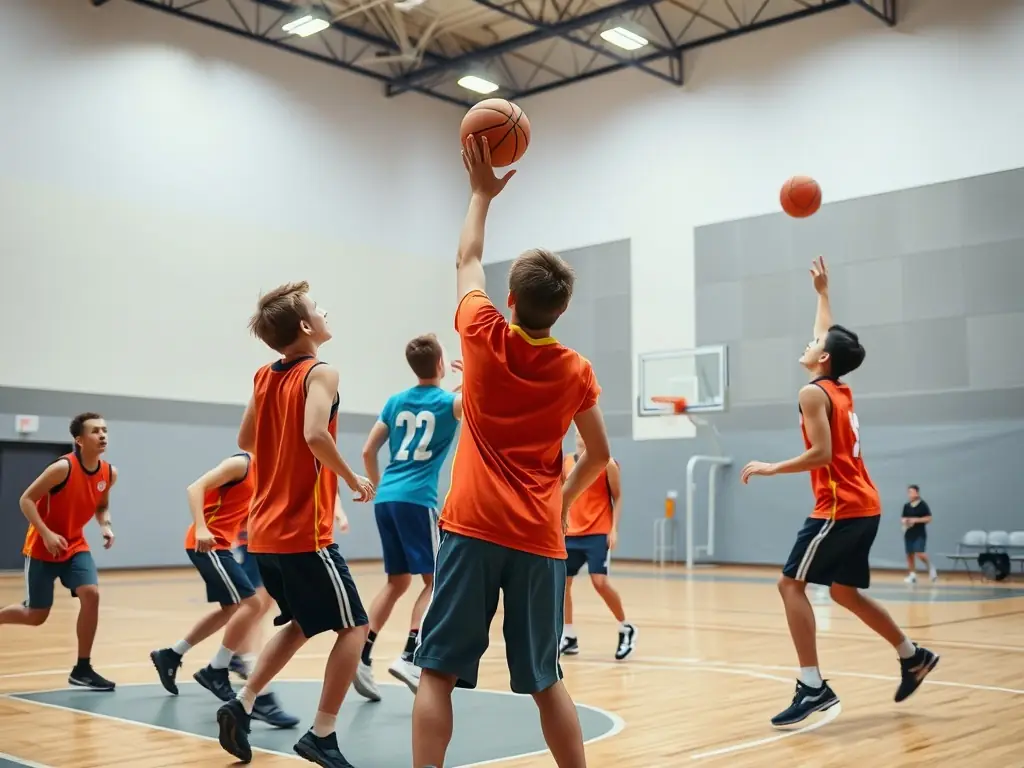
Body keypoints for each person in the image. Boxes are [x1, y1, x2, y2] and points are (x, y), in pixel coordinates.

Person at [410, 134, 611, 768]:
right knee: (546, 679)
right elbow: (598, 454)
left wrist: (480, 192)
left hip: (471, 526)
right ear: (564, 307)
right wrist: (560, 500)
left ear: (514, 300)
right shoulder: (576, 371)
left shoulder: (481, 332)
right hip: (537, 538)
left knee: (437, 675)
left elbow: (467, 257)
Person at [741, 256, 939, 728]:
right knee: (846, 594)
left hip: (839, 507)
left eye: (814, 343)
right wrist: (823, 294)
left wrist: (772, 467)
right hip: (863, 504)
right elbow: (826, 335)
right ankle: (912, 656)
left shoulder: (813, 394)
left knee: (790, 584)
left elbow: (822, 456)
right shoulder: (837, 389)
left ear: (823, 358)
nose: (808, 342)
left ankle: (813, 687)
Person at [214, 281, 375, 768]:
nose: (325, 311)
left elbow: (246, 437)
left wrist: (281, 457)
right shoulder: (322, 372)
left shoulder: (265, 375)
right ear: (306, 326)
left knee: (303, 623)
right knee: (355, 628)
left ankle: (240, 705)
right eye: (317, 308)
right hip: (303, 532)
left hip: (263, 531)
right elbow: (312, 434)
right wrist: (351, 477)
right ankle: (322, 734)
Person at [149, 452, 298, 728]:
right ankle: (217, 669)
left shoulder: (269, 472)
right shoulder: (241, 463)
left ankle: (171, 654)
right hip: (206, 543)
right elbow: (195, 488)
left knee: (231, 608)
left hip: (222, 545)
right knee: (251, 604)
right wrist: (203, 528)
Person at [354, 335, 463, 699]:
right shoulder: (450, 403)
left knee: (397, 583)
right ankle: (409, 655)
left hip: (387, 499)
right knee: (435, 583)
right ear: (440, 365)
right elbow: (475, 401)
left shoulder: (395, 401)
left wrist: (379, 484)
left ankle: (362, 654)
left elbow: (368, 449)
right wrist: (474, 374)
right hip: (418, 501)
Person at [0, 412, 117, 690]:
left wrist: (106, 526)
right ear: (79, 440)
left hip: (75, 545)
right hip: (43, 547)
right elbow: (26, 499)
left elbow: (101, 507)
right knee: (37, 616)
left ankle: (83, 667)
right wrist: (47, 533)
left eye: (104, 430)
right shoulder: (62, 468)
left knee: (92, 594)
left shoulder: (108, 473)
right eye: (94, 431)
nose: (102, 435)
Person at [559, 429, 636, 660]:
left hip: (597, 531)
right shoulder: (566, 462)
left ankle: (626, 627)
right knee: (563, 584)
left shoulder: (607, 464)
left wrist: (614, 529)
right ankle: (569, 635)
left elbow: (618, 496)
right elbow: (561, 493)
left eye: (585, 433)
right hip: (571, 533)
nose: (581, 438)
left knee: (599, 582)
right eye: (578, 435)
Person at [902, 485, 936, 583]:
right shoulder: (906, 506)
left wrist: (916, 520)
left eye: (912, 492)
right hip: (908, 532)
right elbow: (903, 518)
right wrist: (906, 521)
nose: (910, 494)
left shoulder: (922, 505)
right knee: (910, 554)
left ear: (917, 493)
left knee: (920, 553)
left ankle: (931, 568)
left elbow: (928, 518)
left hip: (919, 533)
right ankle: (912, 575)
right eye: (909, 492)